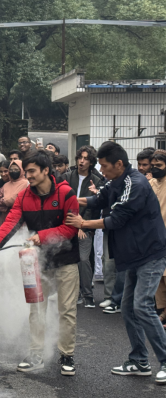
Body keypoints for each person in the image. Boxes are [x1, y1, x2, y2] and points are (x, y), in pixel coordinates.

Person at [65, 141, 166, 383]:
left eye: (104, 166)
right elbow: (99, 199)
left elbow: (116, 219)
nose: (101, 170)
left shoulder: (135, 183)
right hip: (132, 255)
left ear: (119, 164)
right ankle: (139, 361)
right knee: (129, 308)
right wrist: (71, 200)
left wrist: (83, 223)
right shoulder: (115, 181)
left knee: (142, 306)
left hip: (150, 253)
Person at [0, 150, 80, 376]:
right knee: (36, 308)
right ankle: (36, 354)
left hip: (66, 260)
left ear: (46, 170)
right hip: (37, 261)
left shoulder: (66, 192)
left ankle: (67, 355)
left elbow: (71, 228)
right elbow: (10, 222)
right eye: (26, 171)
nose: (28, 176)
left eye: (32, 171)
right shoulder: (24, 196)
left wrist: (41, 236)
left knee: (66, 309)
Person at [62, 146, 105, 308]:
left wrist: (82, 225)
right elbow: (64, 202)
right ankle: (74, 293)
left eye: (86, 158)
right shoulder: (67, 177)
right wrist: (73, 223)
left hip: (85, 227)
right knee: (68, 261)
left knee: (83, 259)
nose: (82, 161)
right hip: (67, 225)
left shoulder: (97, 180)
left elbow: (94, 207)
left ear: (91, 162)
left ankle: (88, 294)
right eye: (80, 157)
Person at [149, 150, 166, 329]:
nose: (155, 169)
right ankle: (162, 311)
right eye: (153, 166)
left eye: (159, 166)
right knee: (159, 276)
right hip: (155, 237)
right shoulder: (151, 184)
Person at [0, 160, 29, 225]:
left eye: (16, 169)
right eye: (11, 169)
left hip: (21, 219)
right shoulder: (6, 185)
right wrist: (6, 202)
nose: (13, 171)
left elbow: (22, 200)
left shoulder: (27, 184)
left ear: (22, 170)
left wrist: (7, 201)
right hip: (5, 219)